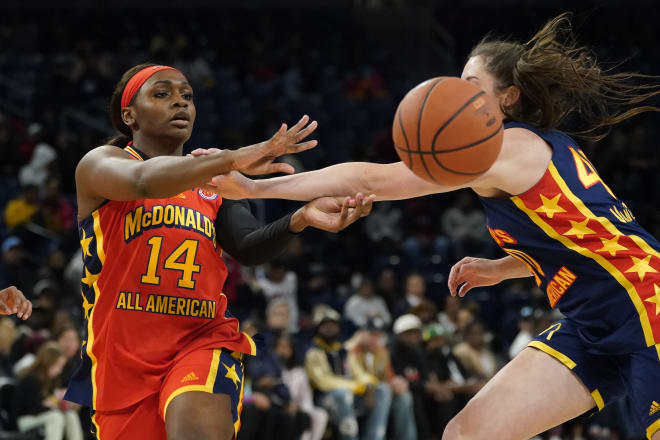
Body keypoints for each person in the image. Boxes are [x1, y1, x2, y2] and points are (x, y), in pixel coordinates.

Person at [205, 13, 660, 439]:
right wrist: (502, 268)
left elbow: (371, 179)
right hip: (592, 326)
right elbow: (579, 242)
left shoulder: (504, 150)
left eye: (471, 85)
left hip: (647, 308)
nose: (458, 95)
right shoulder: (522, 153)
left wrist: (253, 189)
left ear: (508, 97)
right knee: (464, 433)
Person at [63, 63, 374, 440]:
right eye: (162, 94)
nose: (180, 102)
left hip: (201, 338)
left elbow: (247, 246)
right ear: (130, 115)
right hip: (122, 356)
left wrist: (301, 218)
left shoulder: (213, 183)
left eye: (187, 96)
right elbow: (144, 182)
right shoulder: (101, 164)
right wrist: (234, 157)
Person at [304, 305, 390, 440]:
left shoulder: (344, 351)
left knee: (382, 389)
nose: (329, 328)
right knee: (342, 395)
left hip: (349, 394)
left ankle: (374, 437)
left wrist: (369, 383)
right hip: (323, 399)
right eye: (325, 325)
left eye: (333, 325)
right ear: (318, 328)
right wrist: (355, 387)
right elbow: (323, 382)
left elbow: (358, 372)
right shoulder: (313, 351)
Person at [12, 341, 84, 440]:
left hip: (41, 415)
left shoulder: (51, 380)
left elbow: (49, 403)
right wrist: (46, 404)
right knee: (56, 417)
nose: (60, 370)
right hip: (24, 419)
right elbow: (25, 408)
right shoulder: (30, 379)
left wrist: (60, 401)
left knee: (70, 415)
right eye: (58, 366)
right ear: (48, 363)